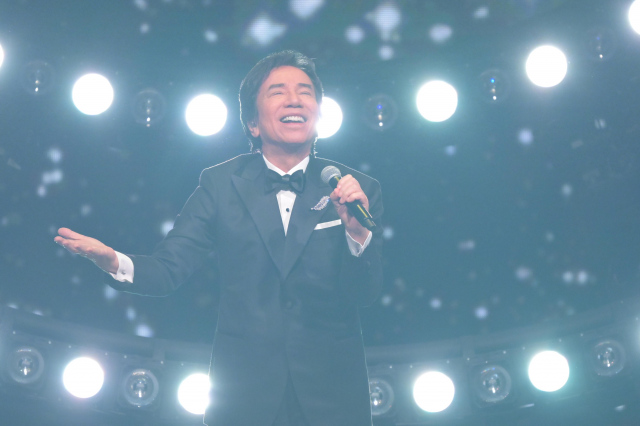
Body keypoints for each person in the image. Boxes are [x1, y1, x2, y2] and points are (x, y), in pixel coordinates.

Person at [55, 50, 383, 426]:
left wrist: (357, 233)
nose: (294, 100)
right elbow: (168, 269)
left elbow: (365, 293)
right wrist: (114, 261)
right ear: (252, 123)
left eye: (305, 92)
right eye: (278, 91)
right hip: (245, 395)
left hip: (334, 396)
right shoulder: (220, 183)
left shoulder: (355, 189)